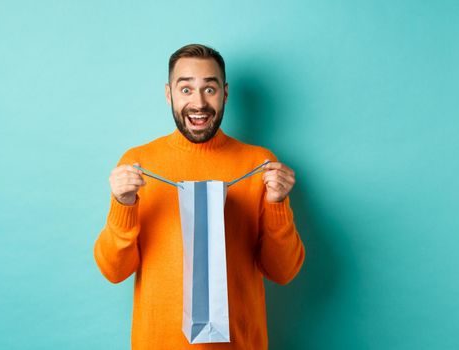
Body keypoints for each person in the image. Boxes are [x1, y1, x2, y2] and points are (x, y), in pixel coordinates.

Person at [94, 44, 305, 349]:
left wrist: (277, 204)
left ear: (225, 93)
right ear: (169, 94)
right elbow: (114, 271)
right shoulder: (139, 163)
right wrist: (123, 204)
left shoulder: (259, 165)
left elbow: (283, 272)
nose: (199, 103)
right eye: (186, 89)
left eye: (209, 88)